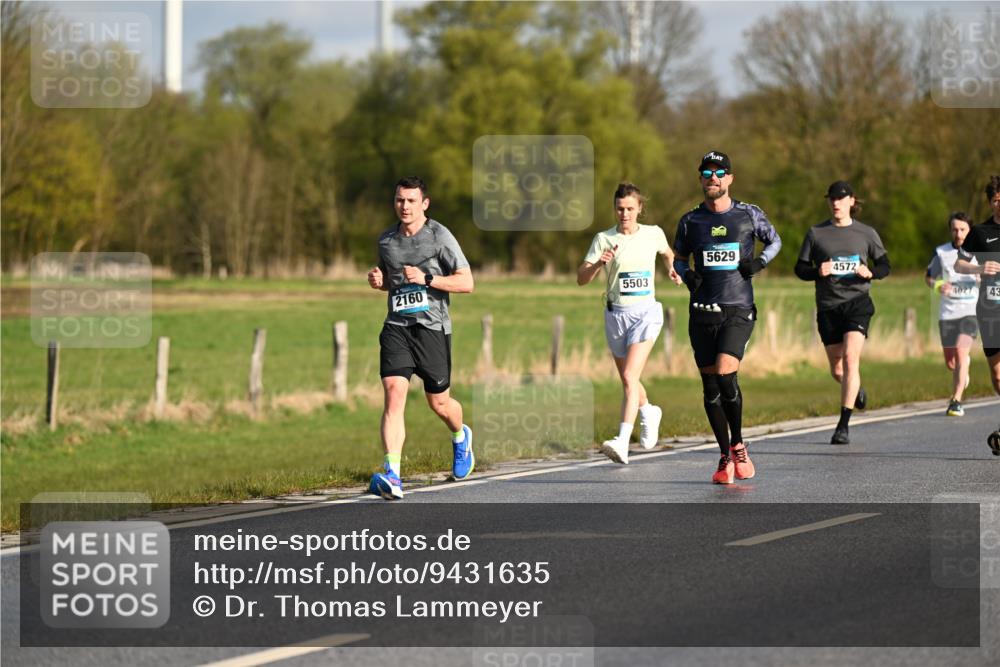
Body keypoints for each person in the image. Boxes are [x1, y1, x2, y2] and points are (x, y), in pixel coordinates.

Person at [672, 151, 782, 484]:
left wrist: (759, 263)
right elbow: (678, 259)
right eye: (707, 173)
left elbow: (774, 241)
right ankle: (725, 456)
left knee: (724, 374)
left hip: (738, 309)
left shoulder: (748, 214)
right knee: (710, 389)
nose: (713, 178)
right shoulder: (690, 221)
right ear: (701, 179)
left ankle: (738, 444)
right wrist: (687, 275)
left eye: (719, 173)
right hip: (702, 311)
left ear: (730, 178)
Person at [366, 176, 475, 499]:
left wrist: (428, 279)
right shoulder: (387, 240)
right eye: (400, 200)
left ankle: (460, 436)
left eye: (411, 200)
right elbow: (393, 282)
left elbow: (466, 282)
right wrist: (380, 282)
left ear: (424, 204)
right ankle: (393, 475)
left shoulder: (440, 236)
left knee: (439, 403)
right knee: (393, 394)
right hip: (397, 326)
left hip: (432, 329)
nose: (405, 206)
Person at [578, 183, 682, 464]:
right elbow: (581, 278)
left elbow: (667, 253)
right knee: (629, 378)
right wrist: (598, 263)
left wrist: (672, 270)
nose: (624, 214)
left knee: (628, 376)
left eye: (630, 209)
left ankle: (622, 441)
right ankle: (648, 410)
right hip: (615, 315)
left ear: (639, 209)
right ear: (615, 209)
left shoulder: (653, 233)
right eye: (620, 209)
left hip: (645, 313)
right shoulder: (604, 239)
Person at [794, 181, 891, 445]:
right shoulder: (816, 233)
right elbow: (800, 268)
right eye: (832, 199)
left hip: (857, 303)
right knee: (837, 369)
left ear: (851, 201)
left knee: (850, 359)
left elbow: (885, 265)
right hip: (828, 307)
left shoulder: (866, 233)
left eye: (841, 198)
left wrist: (871, 272)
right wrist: (817, 271)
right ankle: (855, 391)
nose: (836, 203)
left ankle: (843, 426)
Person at [954, 175, 1000, 456]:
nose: (999, 204)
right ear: (990, 202)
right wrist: (980, 269)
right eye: (995, 200)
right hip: (991, 309)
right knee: (997, 375)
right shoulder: (980, 232)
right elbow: (959, 264)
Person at [925, 212, 978, 416]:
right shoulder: (941, 252)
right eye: (955, 230)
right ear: (950, 231)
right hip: (948, 313)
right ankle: (963, 369)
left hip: (971, 311)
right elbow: (929, 277)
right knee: (951, 362)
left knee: (961, 351)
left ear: (970, 231)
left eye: (963, 229)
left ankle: (956, 401)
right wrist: (938, 285)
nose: (959, 234)